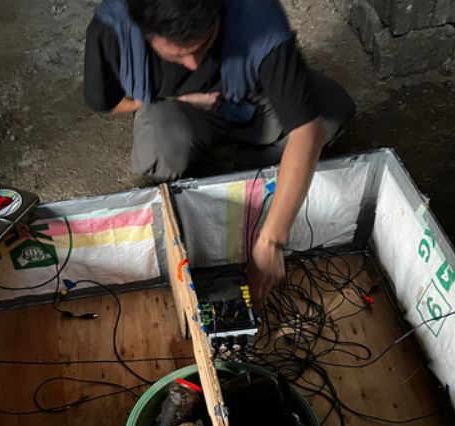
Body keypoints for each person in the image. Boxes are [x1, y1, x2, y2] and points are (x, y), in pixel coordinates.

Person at [83, 0, 356, 304]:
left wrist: (270, 241)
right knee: (162, 151)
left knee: (331, 114)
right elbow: (107, 102)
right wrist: (182, 96)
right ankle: (240, 158)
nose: (193, 64)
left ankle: (244, 163)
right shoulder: (114, 27)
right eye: (175, 54)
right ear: (145, 31)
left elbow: (307, 130)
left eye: (202, 46)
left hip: (249, 95)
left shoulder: (257, 16)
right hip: (179, 106)